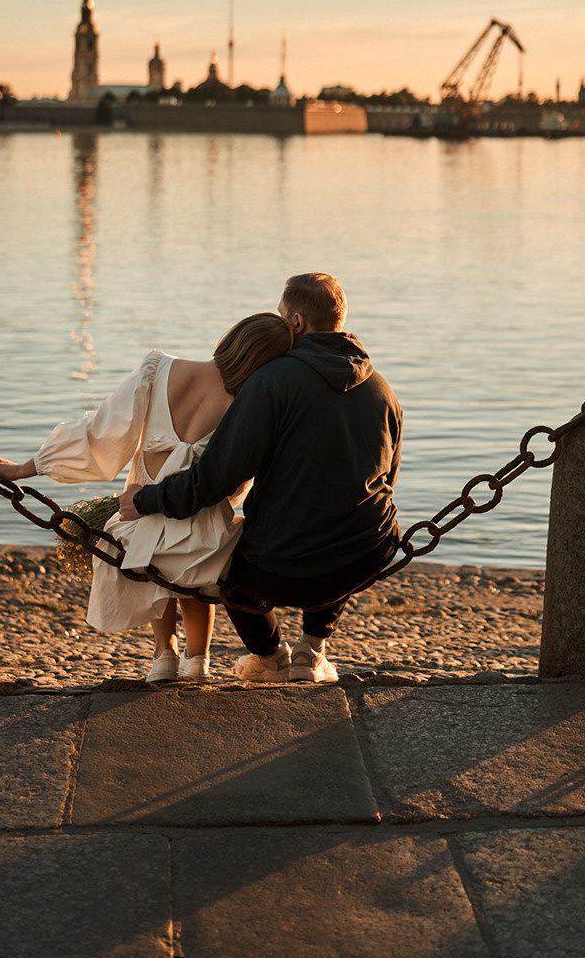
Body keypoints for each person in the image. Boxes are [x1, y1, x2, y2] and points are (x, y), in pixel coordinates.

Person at [0, 312, 294, 682]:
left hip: (138, 513)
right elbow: (234, 484)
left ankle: (163, 657)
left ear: (231, 338)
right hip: (203, 532)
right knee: (193, 578)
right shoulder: (251, 405)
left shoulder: (159, 370)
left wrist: (25, 467)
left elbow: (101, 431)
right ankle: (197, 661)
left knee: (152, 565)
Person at [120, 272, 402, 683]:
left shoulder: (270, 382)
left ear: (298, 323)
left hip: (277, 567)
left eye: (282, 316)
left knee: (226, 565)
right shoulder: (382, 389)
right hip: (366, 553)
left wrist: (147, 499)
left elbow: (216, 477)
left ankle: (269, 657)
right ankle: (312, 651)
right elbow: (388, 476)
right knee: (346, 518)